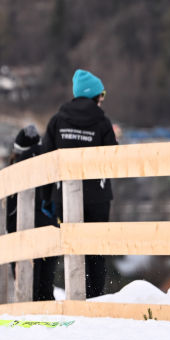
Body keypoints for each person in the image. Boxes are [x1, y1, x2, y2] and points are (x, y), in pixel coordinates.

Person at [40, 68, 118, 299]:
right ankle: (95, 298)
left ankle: (75, 296)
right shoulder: (102, 122)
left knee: (73, 248)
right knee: (96, 250)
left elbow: (46, 162)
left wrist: (47, 198)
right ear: (94, 95)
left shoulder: (57, 121)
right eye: (102, 94)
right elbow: (114, 160)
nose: (102, 99)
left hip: (64, 198)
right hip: (98, 198)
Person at [5, 124, 55, 301]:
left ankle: (30, 312)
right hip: (50, 228)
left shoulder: (16, 168)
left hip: (23, 231)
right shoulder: (49, 161)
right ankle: (48, 310)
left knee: (27, 287)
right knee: (46, 286)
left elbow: (10, 211)